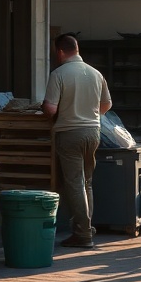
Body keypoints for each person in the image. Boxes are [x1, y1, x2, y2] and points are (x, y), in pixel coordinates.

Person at [42, 34, 112, 248]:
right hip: (93, 132)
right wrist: (90, 115)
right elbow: (107, 104)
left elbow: (50, 108)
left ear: (60, 52)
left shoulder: (59, 74)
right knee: (86, 182)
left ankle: (82, 234)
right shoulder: (96, 73)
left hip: (70, 132)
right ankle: (86, 228)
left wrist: (46, 109)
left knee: (74, 183)